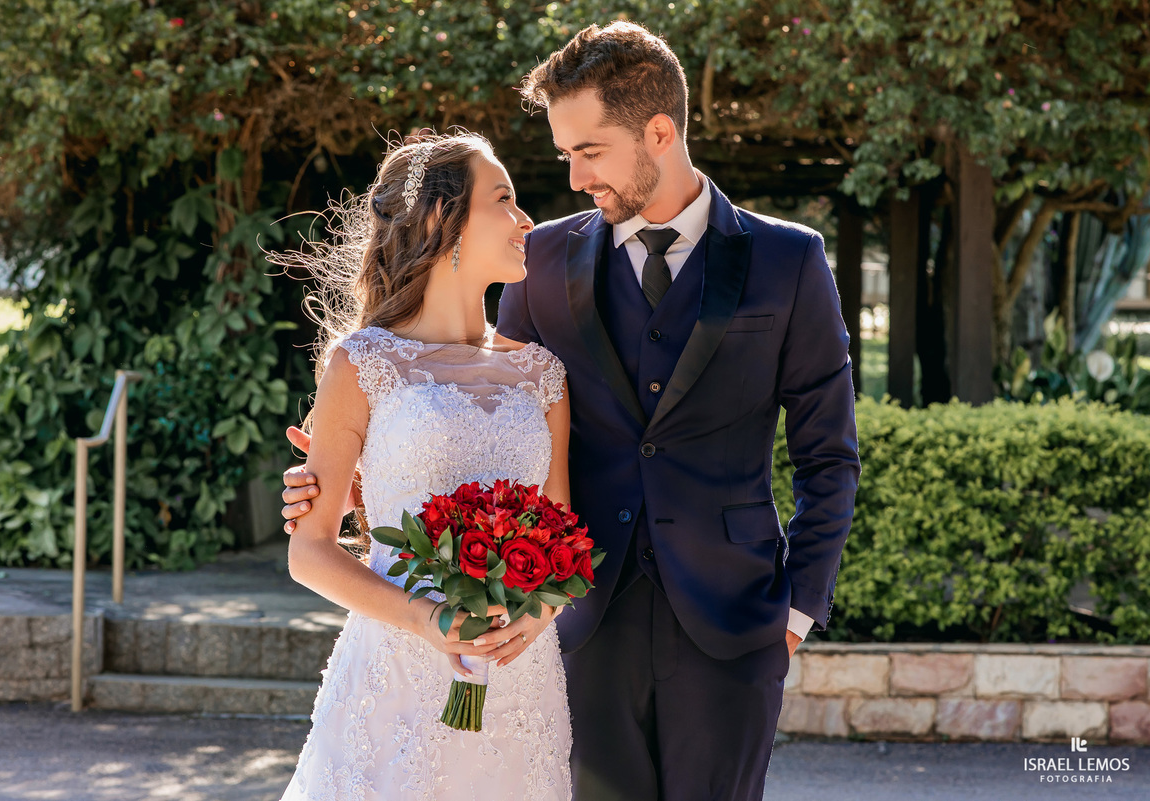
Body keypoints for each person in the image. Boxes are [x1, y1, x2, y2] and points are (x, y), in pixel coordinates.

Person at [284, 21, 860, 801]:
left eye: (588, 151)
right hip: (578, 629)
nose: (574, 176)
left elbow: (828, 454)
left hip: (734, 626)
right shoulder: (543, 260)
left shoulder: (789, 259)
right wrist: (362, 482)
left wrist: (795, 615)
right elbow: (470, 408)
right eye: (563, 156)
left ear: (659, 131)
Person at [276, 132, 574, 800]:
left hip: (518, 680)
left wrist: (542, 608)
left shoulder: (542, 374)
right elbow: (310, 552)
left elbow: (564, 540)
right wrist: (428, 619)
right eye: (505, 200)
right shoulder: (363, 363)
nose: (526, 220)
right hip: (396, 676)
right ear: (444, 219)